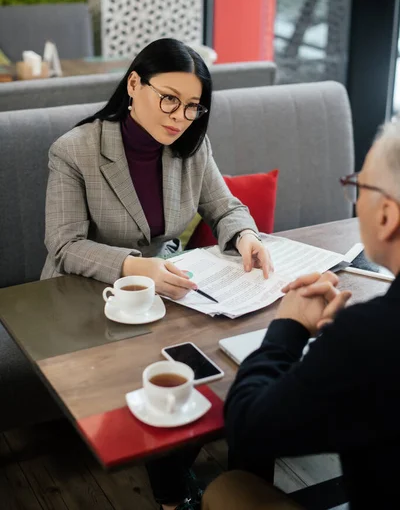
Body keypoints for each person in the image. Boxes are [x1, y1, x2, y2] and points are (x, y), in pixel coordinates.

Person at [41, 38, 273, 510]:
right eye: (169, 98)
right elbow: (63, 245)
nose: (179, 116)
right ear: (133, 84)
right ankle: (173, 490)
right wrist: (132, 265)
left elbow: (224, 205)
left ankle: (211, 482)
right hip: (89, 295)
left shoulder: (190, 146)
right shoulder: (75, 151)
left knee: (227, 367)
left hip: (165, 290)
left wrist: (246, 236)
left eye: (192, 107)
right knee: (166, 378)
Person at [202, 120, 400, 510]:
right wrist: (335, 352)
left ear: (386, 216)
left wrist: (288, 328)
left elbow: (248, 429)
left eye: (359, 187)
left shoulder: (370, 335)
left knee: (226, 490)